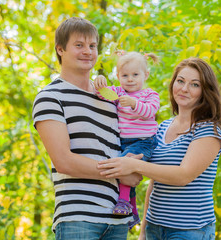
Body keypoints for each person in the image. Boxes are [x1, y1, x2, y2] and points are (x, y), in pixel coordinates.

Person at [32, 17, 142, 240]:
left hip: (118, 219)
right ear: (60, 49)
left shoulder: (110, 98)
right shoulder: (50, 97)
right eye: (79, 45)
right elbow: (64, 160)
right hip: (78, 218)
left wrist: (138, 164)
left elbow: (132, 137)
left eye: (92, 46)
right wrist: (121, 173)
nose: (88, 51)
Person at [97, 57, 221, 239]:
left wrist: (134, 165)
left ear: (205, 91)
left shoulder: (208, 130)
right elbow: (154, 180)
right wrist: (143, 230)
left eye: (194, 84)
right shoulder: (161, 127)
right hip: (155, 227)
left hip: (189, 230)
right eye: (180, 81)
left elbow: (183, 176)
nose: (184, 88)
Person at [94, 51, 160, 229]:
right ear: (118, 76)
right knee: (125, 173)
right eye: (125, 75)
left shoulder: (150, 95)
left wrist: (132, 103)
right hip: (122, 142)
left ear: (145, 75)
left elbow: (149, 112)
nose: (130, 79)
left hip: (144, 141)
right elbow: (103, 94)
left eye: (135, 75)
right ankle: (132, 213)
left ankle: (123, 202)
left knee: (123, 167)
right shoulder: (119, 92)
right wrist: (100, 82)